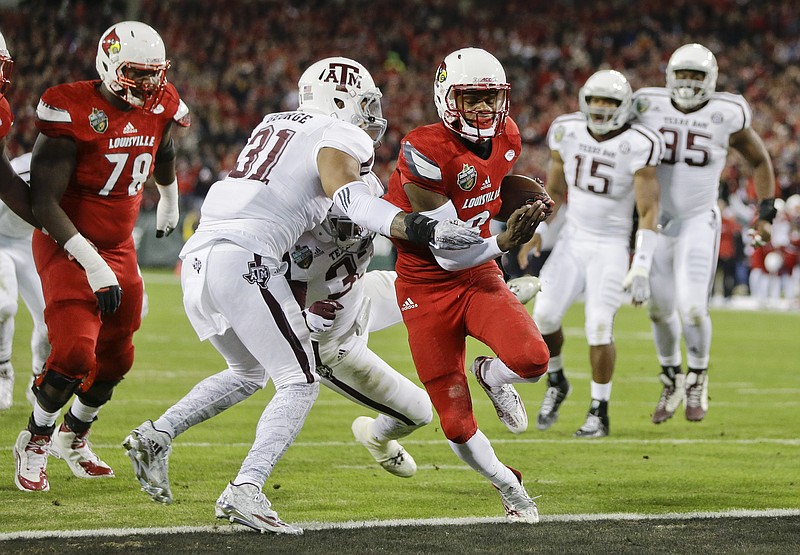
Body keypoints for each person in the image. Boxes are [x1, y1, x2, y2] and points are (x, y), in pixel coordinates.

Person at [122, 56, 481, 535]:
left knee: (248, 373)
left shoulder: (276, 122)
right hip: (247, 255)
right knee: (300, 380)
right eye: (364, 103)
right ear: (339, 100)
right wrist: (408, 223)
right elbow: (347, 195)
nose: (370, 115)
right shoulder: (339, 136)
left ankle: (155, 435)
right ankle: (245, 490)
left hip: (202, 256)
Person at [13, 21, 190, 493]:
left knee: (117, 358)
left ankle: (74, 435)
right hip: (66, 244)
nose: (150, 85)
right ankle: (35, 438)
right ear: (110, 66)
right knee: (73, 351)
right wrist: (92, 265)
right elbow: (43, 202)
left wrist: (168, 198)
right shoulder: (70, 107)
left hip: (120, 247)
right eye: (138, 73)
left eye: (156, 74)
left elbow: (164, 146)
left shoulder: (160, 102)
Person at [383, 47, 551, 523]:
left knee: (533, 359)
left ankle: (491, 375)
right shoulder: (424, 150)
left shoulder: (509, 137)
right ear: (446, 96)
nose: (483, 109)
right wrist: (504, 240)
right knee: (456, 425)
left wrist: (530, 200)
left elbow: (491, 187)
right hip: (427, 285)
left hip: (478, 277)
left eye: (491, 98)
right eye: (471, 97)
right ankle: (509, 485)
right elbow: (445, 249)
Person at [633, 43, 776, 423]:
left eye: (697, 75)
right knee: (659, 311)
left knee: (693, 308)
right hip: (657, 224)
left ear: (710, 79)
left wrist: (766, 212)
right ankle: (670, 377)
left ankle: (697, 374)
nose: (689, 82)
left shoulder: (726, 112)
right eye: (683, 74)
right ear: (670, 76)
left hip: (699, 221)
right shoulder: (646, 105)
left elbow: (759, 160)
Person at [517, 70, 663, 438]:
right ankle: (558, 380)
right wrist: (541, 230)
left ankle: (600, 409)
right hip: (572, 240)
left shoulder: (639, 142)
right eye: (596, 100)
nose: (601, 108)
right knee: (544, 317)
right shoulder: (567, 131)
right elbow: (555, 191)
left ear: (624, 106)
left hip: (611, 244)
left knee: (599, 325)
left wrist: (641, 264)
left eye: (610, 101)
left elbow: (648, 210)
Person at [288, 172, 432, 478]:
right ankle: (376, 437)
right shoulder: (292, 236)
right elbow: (260, 298)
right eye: (347, 222)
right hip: (331, 343)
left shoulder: (367, 198)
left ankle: (501, 299)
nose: (357, 230)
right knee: (420, 412)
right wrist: (301, 317)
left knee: (436, 290)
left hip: (361, 295)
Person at [0, 153, 50, 411]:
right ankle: (2, 368)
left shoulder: (73, 170)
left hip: (29, 243)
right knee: (4, 306)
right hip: (0, 240)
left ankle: (38, 380)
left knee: (51, 319)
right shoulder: (22, 169)